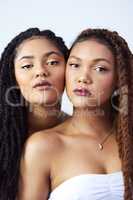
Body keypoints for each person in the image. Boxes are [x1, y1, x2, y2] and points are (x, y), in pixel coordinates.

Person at [18, 28, 133, 200]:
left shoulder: (128, 137)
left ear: (119, 78)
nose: (83, 77)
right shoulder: (42, 146)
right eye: (75, 65)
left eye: (100, 68)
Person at [0, 27, 69, 200]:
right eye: (27, 66)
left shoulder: (83, 134)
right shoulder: (4, 137)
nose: (40, 71)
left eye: (53, 62)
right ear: (13, 76)